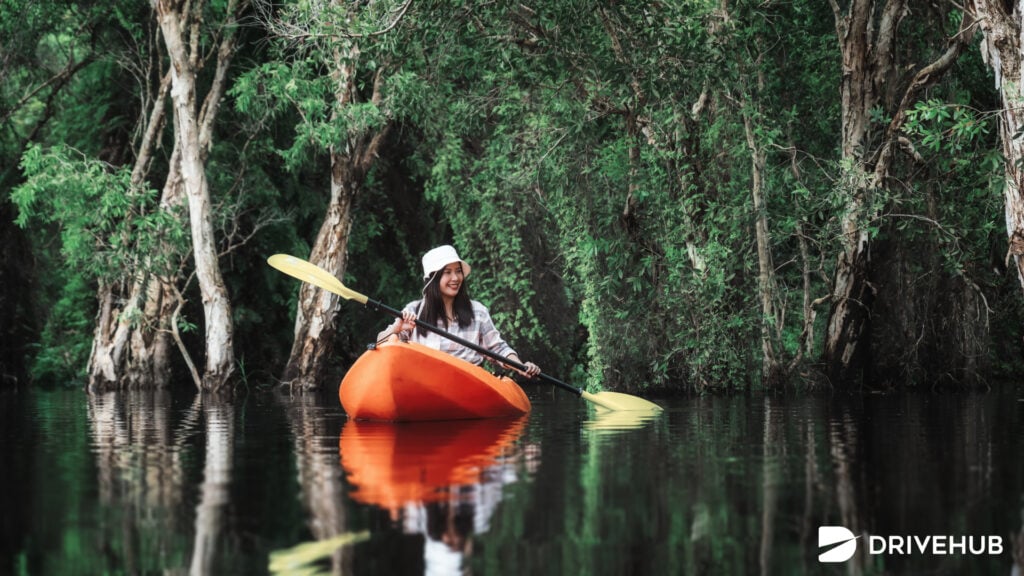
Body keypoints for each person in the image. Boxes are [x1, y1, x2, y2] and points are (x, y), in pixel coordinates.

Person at [377, 245, 541, 378]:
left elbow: (498, 350)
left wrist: (521, 366)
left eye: (458, 271)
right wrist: (396, 329)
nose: (455, 278)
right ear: (432, 280)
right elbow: (380, 344)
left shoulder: (478, 312)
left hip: (467, 382)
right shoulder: (414, 311)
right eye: (447, 273)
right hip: (424, 380)